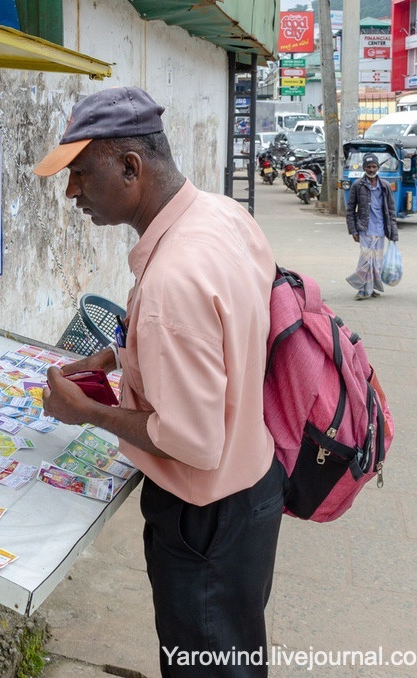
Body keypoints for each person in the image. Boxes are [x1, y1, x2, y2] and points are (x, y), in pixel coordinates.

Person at [34, 87, 285, 677]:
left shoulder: (172, 279)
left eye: (80, 174)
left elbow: (194, 442)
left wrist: (86, 412)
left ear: (130, 167)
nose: (72, 192)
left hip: (206, 519)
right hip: (253, 488)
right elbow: (235, 334)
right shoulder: (223, 215)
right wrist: (127, 358)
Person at [345, 153, 398, 300]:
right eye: (368, 167)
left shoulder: (385, 186)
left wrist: (393, 233)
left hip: (381, 229)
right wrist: (353, 230)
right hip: (364, 229)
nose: (371, 169)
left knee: (376, 262)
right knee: (365, 260)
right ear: (364, 168)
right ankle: (362, 289)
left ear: (378, 167)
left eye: (374, 166)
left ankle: (371, 288)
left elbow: (391, 211)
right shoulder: (357, 185)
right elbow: (350, 210)